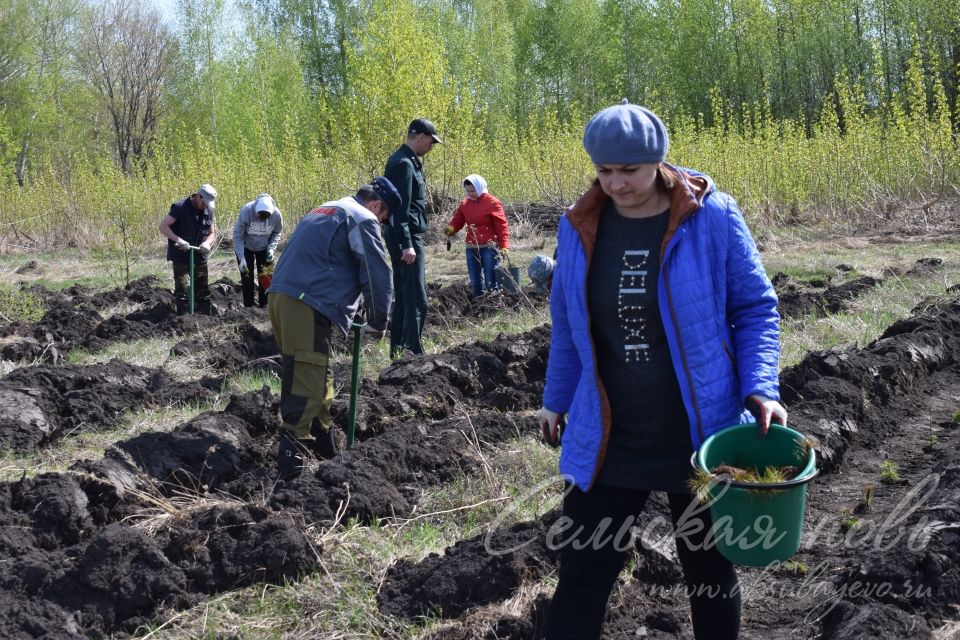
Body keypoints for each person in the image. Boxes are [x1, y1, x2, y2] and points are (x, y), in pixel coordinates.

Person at [538, 101, 786, 640]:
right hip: (611, 433)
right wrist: (556, 397)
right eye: (604, 171)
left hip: (699, 430)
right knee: (583, 573)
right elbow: (567, 322)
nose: (615, 184)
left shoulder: (711, 217)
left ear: (658, 163)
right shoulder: (579, 225)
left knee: (708, 572)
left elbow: (756, 307)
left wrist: (761, 387)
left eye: (628, 171)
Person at [267, 177, 400, 480]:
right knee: (305, 386)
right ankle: (290, 479)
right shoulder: (363, 218)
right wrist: (379, 321)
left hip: (281, 296)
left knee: (317, 373)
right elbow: (376, 273)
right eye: (385, 218)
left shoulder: (326, 208)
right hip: (306, 302)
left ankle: (328, 452)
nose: (382, 223)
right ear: (377, 206)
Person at [383, 117, 442, 358]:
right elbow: (400, 209)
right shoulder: (404, 164)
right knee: (417, 299)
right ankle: (412, 353)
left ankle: (398, 350)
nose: (431, 147)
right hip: (405, 238)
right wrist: (407, 243)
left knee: (406, 294)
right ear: (420, 137)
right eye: (431, 141)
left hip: (402, 235)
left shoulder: (407, 161)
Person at [444, 174, 510, 297]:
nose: (470, 194)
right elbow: (458, 220)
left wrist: (504, 245)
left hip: (489, 246)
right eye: (468, 191)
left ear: (480, 188)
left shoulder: (493, 203)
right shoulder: (465, 204)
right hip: (471, 246)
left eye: (473, 191)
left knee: (491, 278)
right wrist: (451, 228)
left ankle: (492, 302)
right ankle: (478, 302)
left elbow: (502, 226)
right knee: (475, 279)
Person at [159, 184, 218, 315]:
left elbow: (212, 232)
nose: (205, 206)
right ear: (198, 196)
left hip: (200, 255)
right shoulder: (180, 207)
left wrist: (208, 243)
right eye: (204, 202)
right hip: (182, 257)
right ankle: (185, 321)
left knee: (203, 292)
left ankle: (205, 319)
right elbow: (163, 226)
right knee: (184, 291)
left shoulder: (209, 210)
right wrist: (179, 240)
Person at [233, 193, 284, 307]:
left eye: (266, 216)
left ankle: (265, 305)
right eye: (260, 215)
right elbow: (237, 236)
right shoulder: (246, 211)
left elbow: (276, 233)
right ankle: (249, 306)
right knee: (247, 278)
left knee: (266, 277)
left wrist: (271, 249)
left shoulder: (276, 215)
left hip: (265, 249)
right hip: (246, 248)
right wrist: (241, 258)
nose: (262, 218)